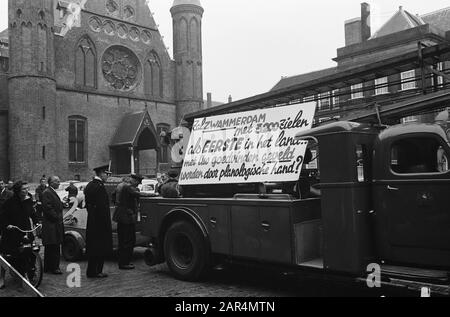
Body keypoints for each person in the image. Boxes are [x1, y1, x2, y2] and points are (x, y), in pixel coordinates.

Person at [0, 181, 38, 289]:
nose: (26, 191)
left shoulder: (28, 200)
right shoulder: (9, 202)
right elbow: (3, 217)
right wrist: (7, 225)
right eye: (24, 189)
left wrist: (37, 222)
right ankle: (2, 278)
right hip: (12, 232)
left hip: (25, 230)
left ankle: (28, 275)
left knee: (28, 253)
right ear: (18, 191)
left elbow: (32, 213)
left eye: (27, 188)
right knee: (7, 255)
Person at [113, 174, 155, 270]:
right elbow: (139, 194)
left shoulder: (125, 186)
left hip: (124, 217)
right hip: (125, 218)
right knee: (127, 240)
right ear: (135, 181)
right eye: (138, 183)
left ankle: (124, 262)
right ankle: (124, 263)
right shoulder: (128, 188)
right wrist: (154, 194)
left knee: (126, 240)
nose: (138, 185)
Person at [84, 164, 113, 278]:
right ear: (102, 173)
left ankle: (92, 270)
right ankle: (96, 271)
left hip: (92, 221)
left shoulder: (90, 185)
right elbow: (102, 208)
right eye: (107, 174)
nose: (107, 177)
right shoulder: (99, 186)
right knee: (99, 247)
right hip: (100, 223)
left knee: (93, 247)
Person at [41, 176, 64, 275]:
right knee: (54, 245)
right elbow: (48, 208)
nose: (59, 183)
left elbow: (52, 205)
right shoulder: (47, 192)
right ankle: (54, 267)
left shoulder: (50, 191)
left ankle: (48, 267)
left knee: (51, 246)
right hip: (51, 224)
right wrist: (57, 217)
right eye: (57, 181)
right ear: (51, 183)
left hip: (52, 224)